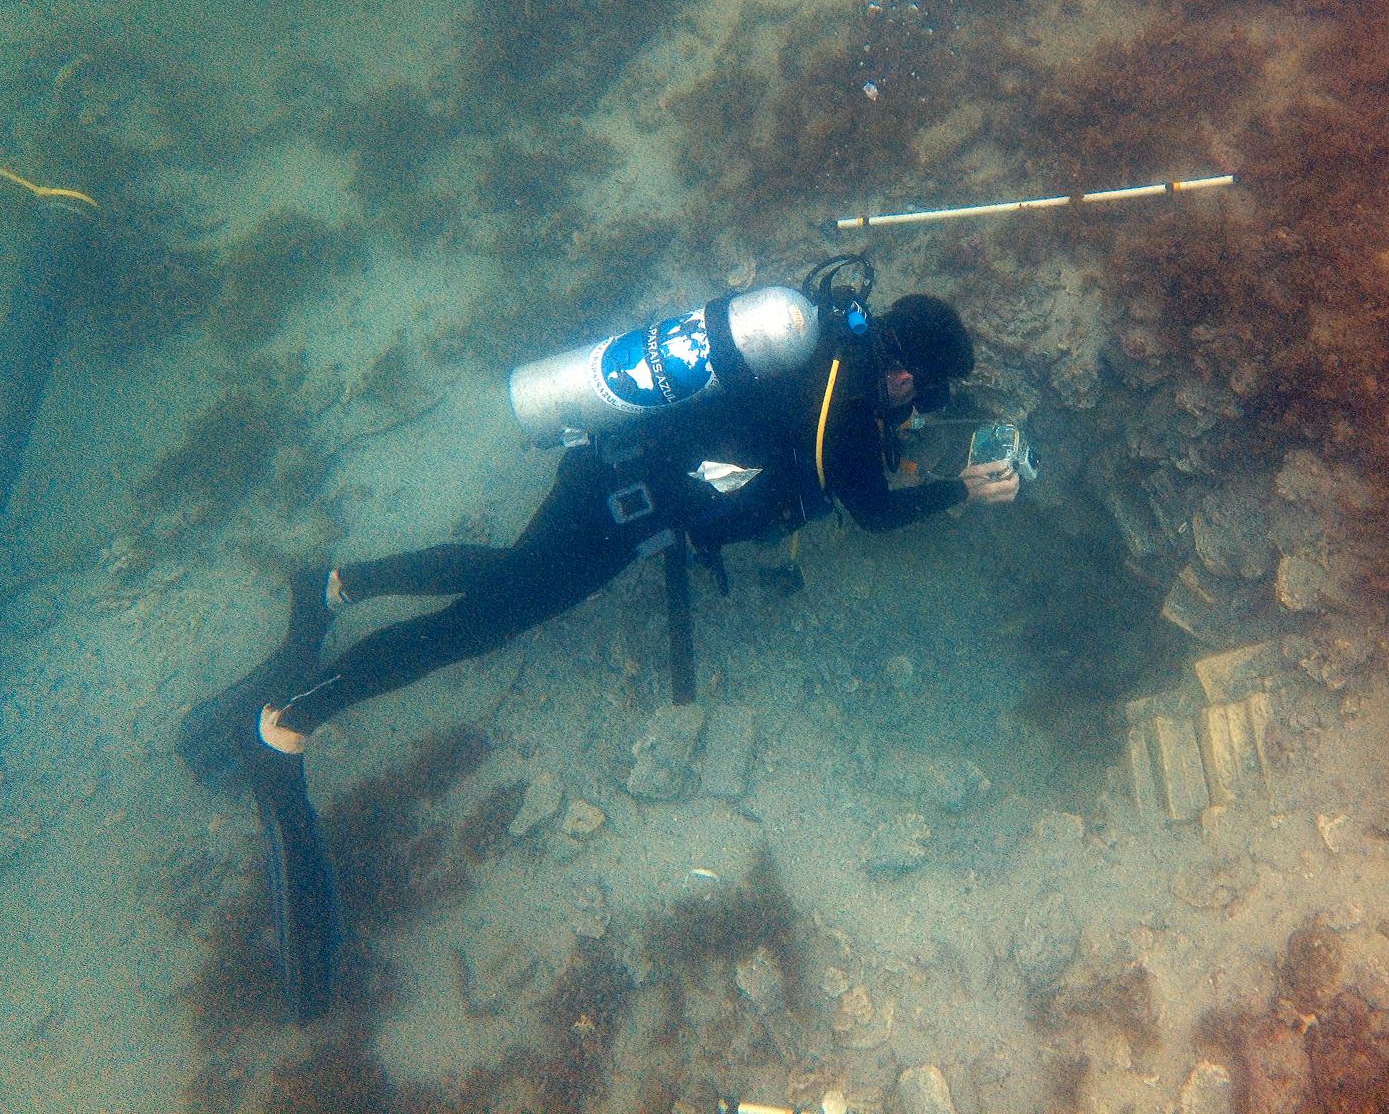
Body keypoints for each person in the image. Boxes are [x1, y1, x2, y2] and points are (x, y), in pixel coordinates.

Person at [178, 268, 1017, 1017]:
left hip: (615, 473)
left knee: (510, 578)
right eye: (921, 395)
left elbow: (807, 444)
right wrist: (961, 493)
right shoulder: (846, 396)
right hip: (619, 507)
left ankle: (335, 585)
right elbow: (869, 510)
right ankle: (290, 722)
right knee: (481, 624)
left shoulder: (824, 341)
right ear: (904, 371)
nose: (914, 407)